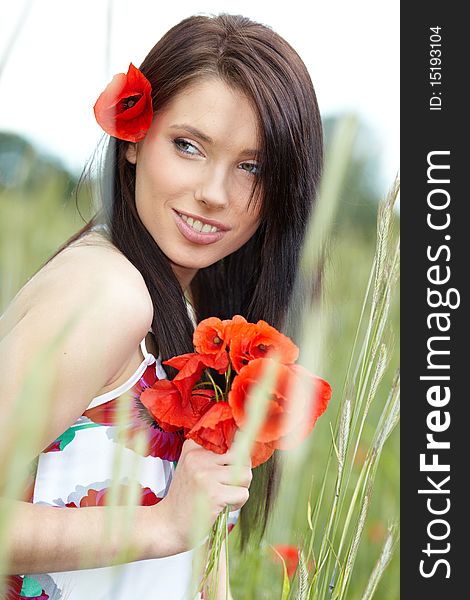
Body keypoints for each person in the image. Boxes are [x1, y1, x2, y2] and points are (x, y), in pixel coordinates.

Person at [0, 12, 323, 600]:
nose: (214, 192)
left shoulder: (182, 316)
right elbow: (170, 529)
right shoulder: (108, 294)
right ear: (132, 137)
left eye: (252, 166)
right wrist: (158, 525)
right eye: (188, 145)